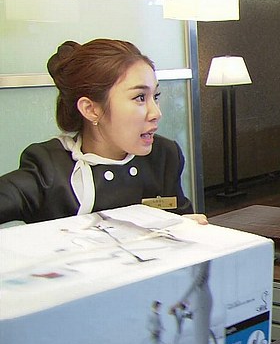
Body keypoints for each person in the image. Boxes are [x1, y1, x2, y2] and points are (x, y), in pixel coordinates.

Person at [0, 39, 207, 225]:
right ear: (91, 109)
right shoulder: (48, 167)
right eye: (140, 98)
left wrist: (188, 227)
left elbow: (180, 219)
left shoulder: (163, 156)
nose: (156, 113)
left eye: (156, 96)